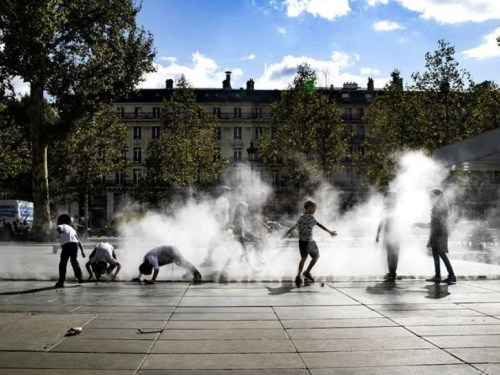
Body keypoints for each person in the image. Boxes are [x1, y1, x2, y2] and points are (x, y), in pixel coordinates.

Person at [283, 200, 337, 285]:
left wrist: (286, 234)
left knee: (303, 258)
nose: (315, 210)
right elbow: (320, 225)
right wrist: (329, 232)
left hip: (302, 241)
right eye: (314, 208)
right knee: (316, 256)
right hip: (310, 242)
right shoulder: (311, 217)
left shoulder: (300, 217)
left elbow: (293, 227)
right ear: (309, 208)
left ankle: (298, 275)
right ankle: (307, 272)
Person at [427, 188, 456, 284]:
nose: (430, 198)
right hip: (438, 232)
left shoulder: (439, 207)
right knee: (436, 254)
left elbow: (435, 222)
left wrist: (418, 224)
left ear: (437, 196)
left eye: (432, 196)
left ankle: (451, 275)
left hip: (439, 233)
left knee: (441, 254)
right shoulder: (441, 206)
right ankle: (438, 276)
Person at [133, 245, 202, 284]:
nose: (151, 267)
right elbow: (142, 268)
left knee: (181, 262)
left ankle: (197, 274)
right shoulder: (145, 260)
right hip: (166, 253)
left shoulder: (151, 258)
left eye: (150, 267)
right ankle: (190, 272)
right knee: (180, 262)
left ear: (148, 265)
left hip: (170, 250)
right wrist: (139, 277)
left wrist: (153, 280)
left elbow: (156, 269)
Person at [201, 186, 231, 267]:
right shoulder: (223, 200)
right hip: (221, 223)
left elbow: (217, 212)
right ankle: (209, 259)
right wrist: (224, 223)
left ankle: (208, 259)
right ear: (224, 192)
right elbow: (223, 211)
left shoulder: (219, 200)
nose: (229, 193)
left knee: (217, 241)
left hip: (219, 223)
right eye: (228, 192)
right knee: (220, 241)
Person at [55, 214, 86, 288]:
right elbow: (78, 241)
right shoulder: (72, 229)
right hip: (75, 245)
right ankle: (80, 277)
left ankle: (61, 281)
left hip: (67, 245)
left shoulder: (62, 225)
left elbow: (59, 228)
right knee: (74, 261)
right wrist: (82, 251)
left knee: (63, 263)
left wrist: (59, 231)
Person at [376, 192, 401, 282]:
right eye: (386, 198)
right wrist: (378, 234)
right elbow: (381, 222)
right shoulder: (385, 210)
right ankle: (391, 272)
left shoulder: (398, 209)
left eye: (388, 198)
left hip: (396, 235)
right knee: (389, 255)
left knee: (393, 255)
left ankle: (392, 273)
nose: (386, 200)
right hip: (388, 235)